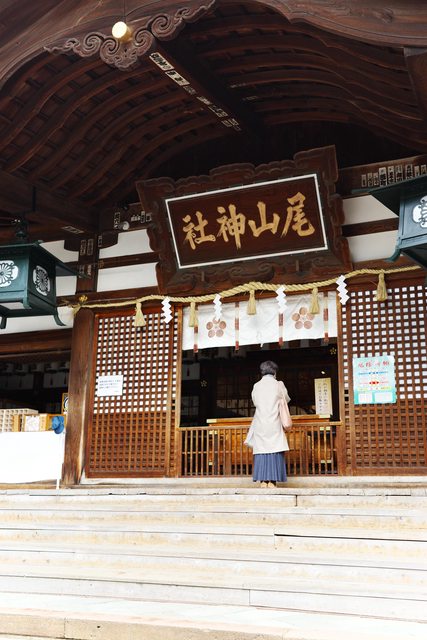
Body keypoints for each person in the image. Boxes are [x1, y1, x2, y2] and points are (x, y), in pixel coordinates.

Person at [244, 360, 290, 488]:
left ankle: (263, 481)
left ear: (262, 372)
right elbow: (286, 399)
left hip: (260, 422)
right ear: (275, 372)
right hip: (274, 421)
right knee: (274, 449)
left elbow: (255, 401)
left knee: (261, 451)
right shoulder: (279, 384)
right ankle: (272, 482)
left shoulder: (256, 386)